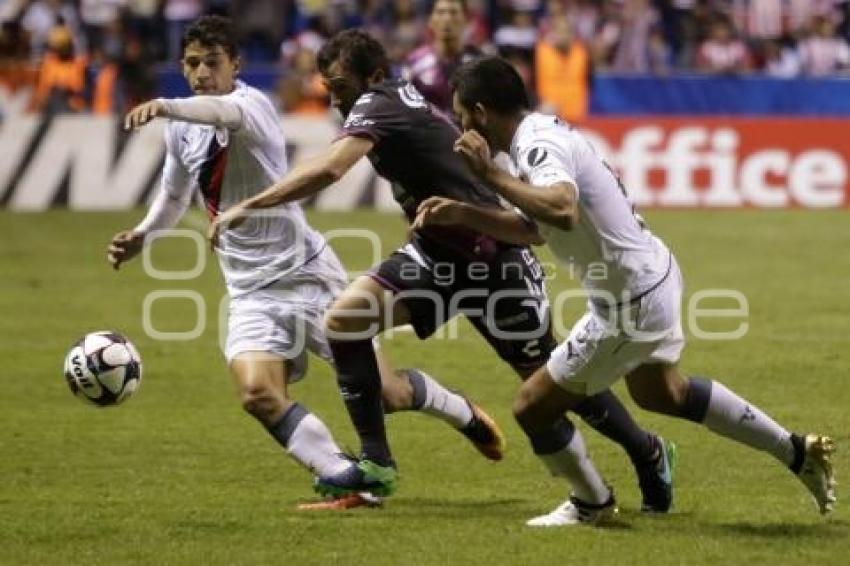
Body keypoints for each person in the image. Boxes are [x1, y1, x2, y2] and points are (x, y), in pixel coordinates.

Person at [209, 29, 676, 511]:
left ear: (372, 78)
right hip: (434, 256)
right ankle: (376, 462)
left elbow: (331, 168)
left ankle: (647, 451)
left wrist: (252, 204)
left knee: (555, 383)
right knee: (345, 321)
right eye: (328, 90)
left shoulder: (377, 103)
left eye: (340, 88)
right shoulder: (387, 102)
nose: (334, 101)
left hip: (493, 260)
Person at [106, 15, 506, 511]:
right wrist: (144, 235)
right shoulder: (182, 131)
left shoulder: (250, 106)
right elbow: (173, 194)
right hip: (249, 290)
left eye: (213, 62)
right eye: (191, 64)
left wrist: (165, 102)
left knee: (388, 394)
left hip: (306, 274)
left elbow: (217, 112)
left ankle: (460, 410)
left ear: (236, 63)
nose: (202, 72)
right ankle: (352, 479)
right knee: (257, 394)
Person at [428, 55, 835, 525]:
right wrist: (464, 213)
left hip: (629, 302)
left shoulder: (535, 144)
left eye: (461, 116)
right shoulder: (540, 135)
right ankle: (797, 452)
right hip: (651, 274)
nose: (461, 129)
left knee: (532, 406)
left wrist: (489, 177)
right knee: (662, 393)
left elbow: (562, 209)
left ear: (480, 112)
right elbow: (537, 229)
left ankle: (591, 504)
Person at [403, 0, 479, 114]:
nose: (447, 18)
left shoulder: (479, 62)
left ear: (466, 20)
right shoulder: (414, 62)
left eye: (453, 12)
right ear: (430, 20)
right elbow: (404, 107)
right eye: (440, 12)